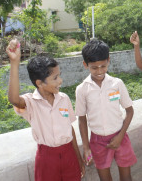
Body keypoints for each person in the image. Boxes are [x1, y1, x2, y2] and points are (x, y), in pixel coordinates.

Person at [6, 39, 85, 181]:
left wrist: (78, 158)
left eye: (59, 75)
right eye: (55, 78)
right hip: (47, 159)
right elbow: (14, 99)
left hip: (69, 154)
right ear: (40, 83)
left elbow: (70, 128)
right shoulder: (31, 103)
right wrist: (14, 63)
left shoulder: (64, 98)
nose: (60, 80)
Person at [76, 39, 137, 181]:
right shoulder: (82, 89)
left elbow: (130, 111)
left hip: (120, 136)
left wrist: (120, 136)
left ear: (109, 61)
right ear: (85, 65)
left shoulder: (117, 84)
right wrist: (86, 147)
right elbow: (81, 119)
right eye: (94, 67)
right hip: (97, 141)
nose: (99, 71)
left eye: (103, 66)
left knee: (126, 177)